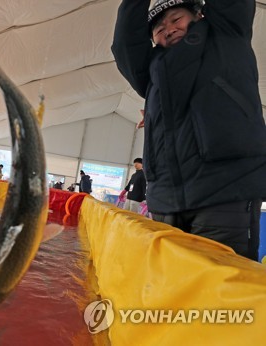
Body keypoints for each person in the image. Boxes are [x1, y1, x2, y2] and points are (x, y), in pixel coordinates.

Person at [112, 0, 266, 260]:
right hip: (165, 202)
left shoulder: (226, 35)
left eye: (176, 19)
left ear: (200, 15)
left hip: (224, 193)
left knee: (219, 288)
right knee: (168, 286)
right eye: (159, 29)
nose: (168, 29)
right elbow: (125, 43)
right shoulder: (149, 72)